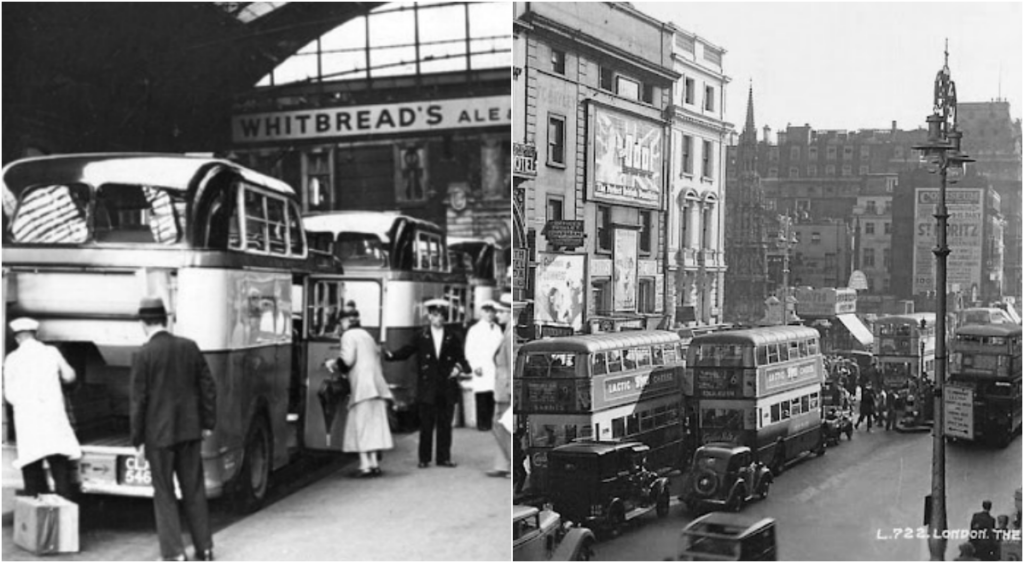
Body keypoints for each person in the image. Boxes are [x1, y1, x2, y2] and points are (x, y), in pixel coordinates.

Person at [130, 297, 217, 562]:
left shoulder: (143, 355)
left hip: (158, 437)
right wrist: (207, 423)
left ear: (144, 323)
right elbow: (208, 387)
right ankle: (205, 548)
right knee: (194, 489)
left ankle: (174, 553)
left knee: (164, 493)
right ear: (166, 320)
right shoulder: (190, 347)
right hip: (190, 432)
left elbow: (138, 401)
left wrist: (138, 440)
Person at [384, 298, 471, 468]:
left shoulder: (452, 337)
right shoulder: (421, 336)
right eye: (435, 315)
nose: (438, 319)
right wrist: (391, 356)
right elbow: (407, 351)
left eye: (441, 316)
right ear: (429, 316)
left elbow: (462, 359)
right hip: (427, 386)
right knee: (426, 424)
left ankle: (443, 457)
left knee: (445, 424)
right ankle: (424, 458)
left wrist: (459, 369)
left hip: (446, 385)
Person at [3, 317, 82, 499]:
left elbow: (9, 395)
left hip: (28, 423)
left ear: (17, 338)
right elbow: (70, 376)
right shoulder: (51, 352)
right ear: (36, 335)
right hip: (52, 421)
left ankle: (37, 521)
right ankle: (64, 517)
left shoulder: (12, 359)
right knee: (60, 470)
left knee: (32, 474)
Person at [327, 309, 394, 477]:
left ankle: (364, 465)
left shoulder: (348, 336)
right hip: (376, 386)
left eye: (341, 322)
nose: (340, 326)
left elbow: (347, 360)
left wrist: (333, 363)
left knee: (360, 426)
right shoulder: (367, 335)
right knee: (373, 426)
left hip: (362, 388)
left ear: (346, 322)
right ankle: (374, 464)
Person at [464, 300, 504, 431]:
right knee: (481, 396)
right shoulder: (474, 330)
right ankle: (482, 424)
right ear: (481, 312)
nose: (489, 314)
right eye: (486, 311)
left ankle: (489, 422)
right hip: (481, 366)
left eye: (492, 311)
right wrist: (475, 366)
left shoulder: (497, 328)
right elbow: (469, 350)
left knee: (492, 396)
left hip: (494, 367)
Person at [486, 294, 513, 478]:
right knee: (502, 426)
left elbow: (510, 363)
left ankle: (509, 464)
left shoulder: (509, 334)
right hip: (502, 387)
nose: (498, 316)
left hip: (505, 389)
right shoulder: (507, 331)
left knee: (500, 425)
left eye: (501, 312)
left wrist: (511, 389)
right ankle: (503, 465)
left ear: (509, 313)